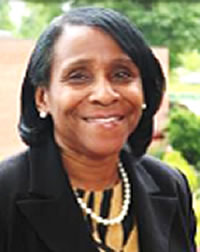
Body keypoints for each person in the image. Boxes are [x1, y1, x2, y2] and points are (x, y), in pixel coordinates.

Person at [0, 6, 196, 252]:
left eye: (122, 74)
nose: (104, 95)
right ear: (42, 97)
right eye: (78, 76)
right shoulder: (6, 192)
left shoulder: (170, 185)